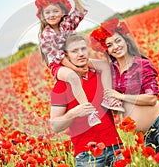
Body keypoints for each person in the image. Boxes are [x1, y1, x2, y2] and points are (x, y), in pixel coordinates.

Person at [89, 18, 159, 157]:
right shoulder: (112, 70)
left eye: (118, 41)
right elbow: (80, 61)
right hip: (144, 135)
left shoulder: (142, 65)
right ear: (107, 50)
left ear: (126, 41)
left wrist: (120, 96)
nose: (115, 47)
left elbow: (151, 99)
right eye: (109, 45)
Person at [35, 0, 124, 127]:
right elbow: (59, 57)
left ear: (62, 11)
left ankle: (108, 97)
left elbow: (79, 12)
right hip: (59, 66)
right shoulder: (46, 34)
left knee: (105, 65)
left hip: (74, 59)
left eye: (55, 11)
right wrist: (76, 69)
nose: (51, 15)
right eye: (47, 12)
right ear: (42, 15)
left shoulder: (65, 24)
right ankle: (90, 112)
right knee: (73, 77)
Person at [50, 34, 123, 166]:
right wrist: (74, 113)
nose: (81, 54)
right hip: (87, 155)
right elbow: (55, 126)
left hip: (115, 148)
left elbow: (118, 111)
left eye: (83, 49)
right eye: (74, 51)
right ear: (65, 56)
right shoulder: (61, 86)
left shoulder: (101, 75)